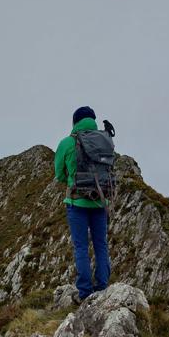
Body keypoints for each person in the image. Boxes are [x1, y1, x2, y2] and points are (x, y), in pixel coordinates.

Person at [54, 106, 111, 303]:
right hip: (100, 201)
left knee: (81, 247)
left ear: (74, 122)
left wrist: (72, 180)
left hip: (77, 202)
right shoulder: (105, 140)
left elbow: (59, 174)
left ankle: (85, 292)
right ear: (93, 121)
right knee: (101, 245)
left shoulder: (67, 143)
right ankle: (103, 286)